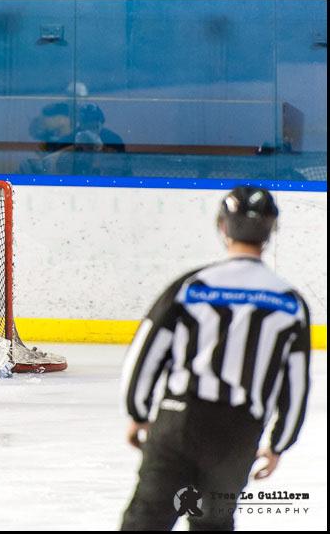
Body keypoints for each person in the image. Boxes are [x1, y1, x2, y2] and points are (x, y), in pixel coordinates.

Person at [119, 186, 311, 530]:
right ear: (271, 230)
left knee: (146, 520)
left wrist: (137, 411)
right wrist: (280, 443)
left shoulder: (192, 287)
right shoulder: (290, 303)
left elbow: (146, 352)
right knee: (213, 524)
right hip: (238, 432)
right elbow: (296, 382)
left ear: (222, 226)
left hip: (179, 418)